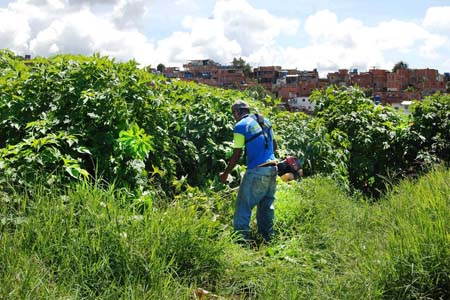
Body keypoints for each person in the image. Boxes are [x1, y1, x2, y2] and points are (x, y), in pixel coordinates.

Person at [219, 100, 278, 244]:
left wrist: (225, 173)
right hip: (273, 169)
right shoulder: (266, 121)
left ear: (237, 112)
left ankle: (241, 242)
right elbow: (274, 145)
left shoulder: (240, 126)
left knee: (243, 206)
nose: (234, 117)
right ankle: (267, 238)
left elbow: (236, 154)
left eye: (234, 114)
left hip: (257, 171)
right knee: (266, 207)